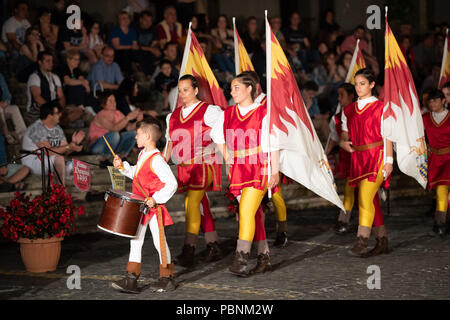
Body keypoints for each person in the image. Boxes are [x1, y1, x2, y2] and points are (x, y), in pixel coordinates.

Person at [210, 73, 279, 276]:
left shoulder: (263, 112)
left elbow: (273, 143)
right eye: (231, 88)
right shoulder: (228, 113)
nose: (232, 92)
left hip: (259, 166)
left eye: (236, 88)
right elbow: (217, 136)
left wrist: (274, 170)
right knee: (254, 214)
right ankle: (264, 256)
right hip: (238, 169)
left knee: (247, 212)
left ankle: (241, 259)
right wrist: (226, 156)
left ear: (250, 88)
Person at [111, 118, 178, 293]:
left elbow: (172, 183)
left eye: (138, 133)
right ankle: (131, 279)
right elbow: (137, 175)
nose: (135, 137)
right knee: (135, 240)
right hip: (142, 206)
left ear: (147, 136)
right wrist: (122, 167)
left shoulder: (157, 160)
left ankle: (167, 278)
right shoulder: (142, 155)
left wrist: (156, 199)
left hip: (154, 209)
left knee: (159, 242)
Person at [164, 75, 223, 268]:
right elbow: (169, 144)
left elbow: (225, 134)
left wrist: (211, 149)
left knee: (192, 203)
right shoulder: (172, 116)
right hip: (184, 168)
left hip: (202, 165)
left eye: (186, 89)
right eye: (179, 90)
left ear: (196, 90)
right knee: (201, 205)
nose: (182, 94)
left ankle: (188, 250)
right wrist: (159, 162)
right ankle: (213, 246)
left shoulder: (209, 111)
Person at [339, 68, 393, 257]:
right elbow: (344, 134)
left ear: (371, 85)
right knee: (373, 201)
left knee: (364, 197)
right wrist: (343, 142)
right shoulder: (349, 109)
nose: (359, 87)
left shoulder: (381, 107)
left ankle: (362, 239)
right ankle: (382, 240)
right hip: (358, 158)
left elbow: (388, 136)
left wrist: (389, 161)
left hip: (377, 155)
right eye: (356, 84)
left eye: (363, 84)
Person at [242, 70, 288, 247]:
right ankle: (252, 235)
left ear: (254, 87)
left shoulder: (269, 103)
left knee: (275, 194)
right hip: (249, 160)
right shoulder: (242, 105)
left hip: (268, 156)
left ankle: (281, 229)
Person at [21, 101, 85, 186]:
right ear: (49, 115)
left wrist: (73, 144)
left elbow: (65, 150)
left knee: (79, 168)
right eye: (57, 113)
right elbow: (48, 152)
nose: (60, 115)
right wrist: (69, 146)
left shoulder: (57, 128)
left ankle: (81, 195)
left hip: (49, 160)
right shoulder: (36, 128)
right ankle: (60, 193)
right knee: (59, 159)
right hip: (33, 161)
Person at [422, 89, 449, 236]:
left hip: (449, 158)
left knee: (445, 190)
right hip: (435, 159)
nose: (432, 103)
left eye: (436, 100)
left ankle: (441, 221)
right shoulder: (425, 118)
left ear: (443, 101)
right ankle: (440, 222)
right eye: (430, 101)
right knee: (440, 190)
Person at [88, 90, 139, 167]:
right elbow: (114, 128)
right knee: (115, 135)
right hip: (97, 146)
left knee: (134, 134)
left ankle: (123, 157)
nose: (114, 103)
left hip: (112, 146)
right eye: (110, 101)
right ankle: (104, 159)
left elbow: (129, 128)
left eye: (114, 100)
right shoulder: (100, 116)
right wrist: (128, 118)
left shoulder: (117, 113)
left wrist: (138, 120)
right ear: (103, 103)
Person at [26, 51, 66, 124]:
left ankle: (57, 122)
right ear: (40, 62)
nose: (51, 64)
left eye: (52, 61)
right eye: (47, 61)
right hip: (38, 110)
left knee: (76, 110)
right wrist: (52, 110)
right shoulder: (34, 77)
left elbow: (61, 96)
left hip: (52, 108)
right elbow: (37, 97)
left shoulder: (55, 77)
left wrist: (60, 109)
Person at [60, 49, 96, 125]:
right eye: (75, 60)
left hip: (76, 94)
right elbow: (67, 81)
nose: (78, 62)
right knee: (78, 86)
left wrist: (85, 83)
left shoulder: (76, 70)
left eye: (78, 60)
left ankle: (91, 108)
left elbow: (83, 79)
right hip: (66, 93)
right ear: (68, 60)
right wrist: (83, 83)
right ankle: (82, 106)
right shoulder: (64, 68)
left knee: (87, 90)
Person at [108, 11, 139, 75]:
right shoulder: (115, 31)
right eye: (123, 18)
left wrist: (136, 47)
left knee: (139, 52)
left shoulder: (132, 30)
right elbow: (117, 47)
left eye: (127, 18)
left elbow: (134, 44)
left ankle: (142, 72)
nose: (126, 20)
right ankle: (130, 73)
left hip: (129, 51)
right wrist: (131, 47)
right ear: (119, 21)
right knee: (125, 53)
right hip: (116, 52)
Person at [0, 73, 27, 145]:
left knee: (14, 109)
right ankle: (7, 136)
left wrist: (6, 101)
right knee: (0, 109)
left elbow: (7, 94)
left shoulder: (0, 76)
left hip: (2, 107)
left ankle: (23, 136)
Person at [134, 10, 161, 75]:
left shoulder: (153, 29)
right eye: (146, 20)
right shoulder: (135, 28)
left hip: (148, 50)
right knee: (142, 55)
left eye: (150, 20)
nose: (149, 23)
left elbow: (155, 42)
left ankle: (154, 76)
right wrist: (151, 49)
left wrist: (155, 49)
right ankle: (145, 75)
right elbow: (135, 46)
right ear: (140, 20)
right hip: (137, 51)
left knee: (159, 54)